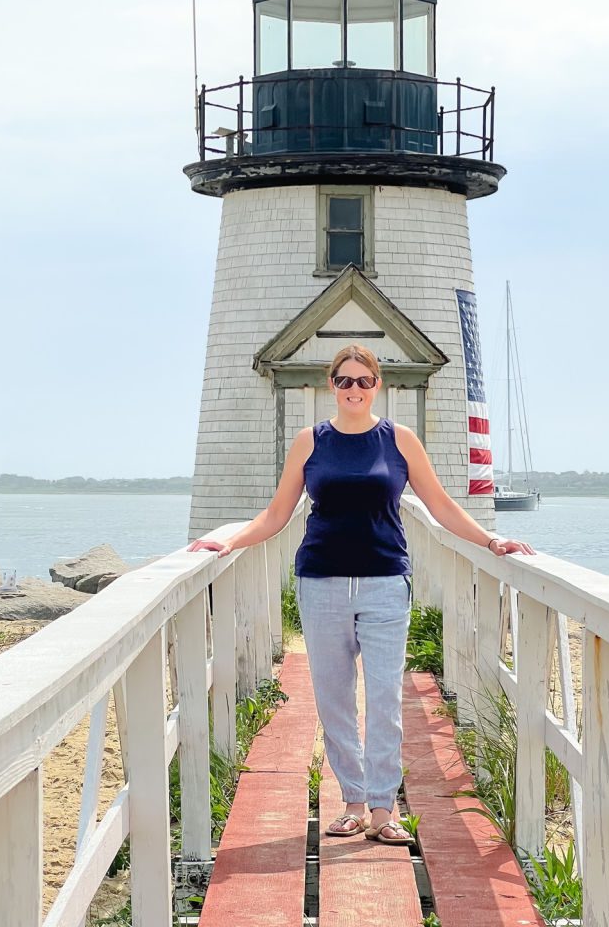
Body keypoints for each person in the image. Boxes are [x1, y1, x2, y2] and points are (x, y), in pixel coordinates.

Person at [187, 344, 535, 845]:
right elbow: (276, 514)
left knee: (385, 699)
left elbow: (439, 505)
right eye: (345, 381)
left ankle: (382, 808)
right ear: (333, 385)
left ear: (378, 386)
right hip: (321, 581)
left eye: (363, 381)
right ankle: (351, 801)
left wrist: (490, 539)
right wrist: (229, 540)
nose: (354, 389)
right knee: (334, 701)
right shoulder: (311, 441)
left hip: (384, 582)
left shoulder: (399, 440)